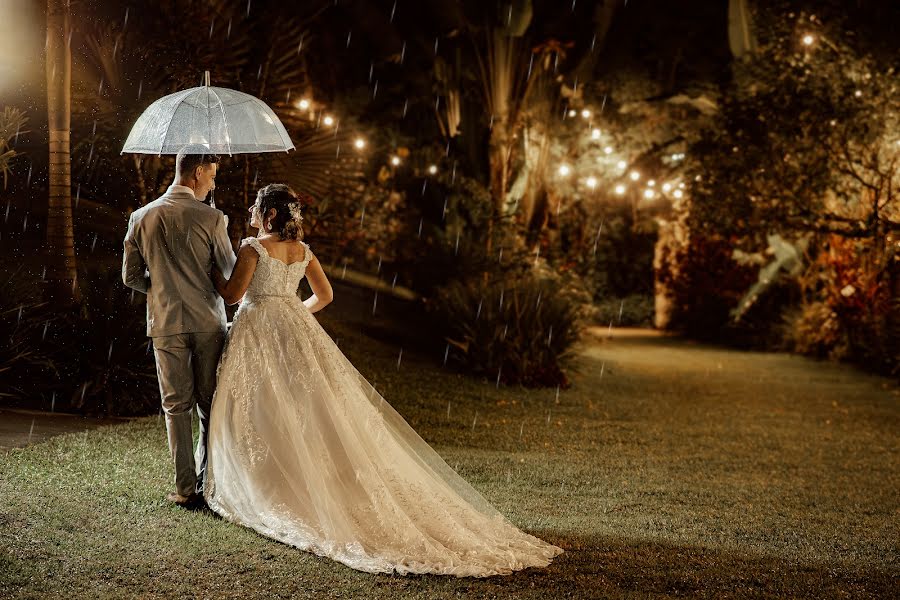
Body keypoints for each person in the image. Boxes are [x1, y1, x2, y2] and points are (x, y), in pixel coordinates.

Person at [204, 183, 563, 577]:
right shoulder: (303, 252)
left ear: (269, 215)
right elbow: (324, 296)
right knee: (309, 405)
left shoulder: (253, 249)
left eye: (257, 209)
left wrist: (212, 273)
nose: (252, 215)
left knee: (264, 405)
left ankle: (272, 480)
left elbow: (234, 295)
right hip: (294, 329)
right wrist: (292, 312)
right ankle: (317, 476)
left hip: (259, 329)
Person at [122, 145, 236, 507]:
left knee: (175, 407)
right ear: (198, 172)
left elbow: (129, 277)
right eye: (213, 176)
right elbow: (232, 271)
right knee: (209, 403)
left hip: (165, 321)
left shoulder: (141, 217)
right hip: (207, 321)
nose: (213, 185)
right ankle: (211, 483)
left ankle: (186, 490)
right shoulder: (211, 218)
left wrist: (161, 286)